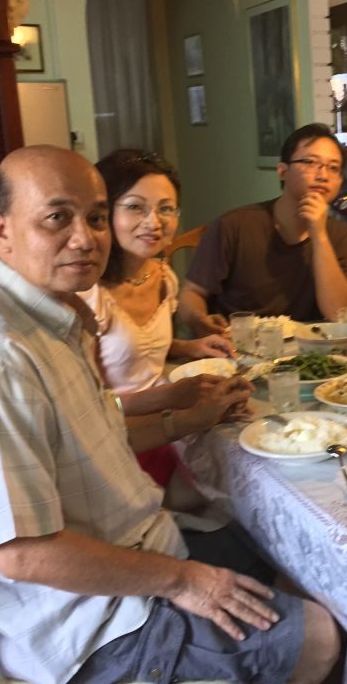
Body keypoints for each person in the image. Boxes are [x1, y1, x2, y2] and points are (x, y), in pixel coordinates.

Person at [0, 146, 339, 684]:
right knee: (321, 633)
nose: (85, 237)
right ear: (0, 230)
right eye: (56, 218)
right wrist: (183, 581)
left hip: (139, 543)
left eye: (95, 217)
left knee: (296, 559)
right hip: (90, 627)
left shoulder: (51, 314)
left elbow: (96, 429)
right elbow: (23, 554)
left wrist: (174, 410)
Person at [79, 149, 237, 510]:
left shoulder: (161, 276)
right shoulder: (88, 295)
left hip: (168, 423)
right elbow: (87, 409)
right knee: (228, 499)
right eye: (135, 207)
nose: (154, 221)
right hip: (119, 442)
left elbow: (137, 348)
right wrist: (172, 398)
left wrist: (190, 348)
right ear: (104, 214)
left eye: (166, 208)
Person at [179, 123, 347, 336]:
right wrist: (200, 319)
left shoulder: (341, 235)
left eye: (333, 167)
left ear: (339, 181)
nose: (323, 175)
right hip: (238, 349)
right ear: (282, 171)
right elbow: (191, 293)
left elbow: (338, 315)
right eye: (310, 162)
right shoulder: (234, 225)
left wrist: (319, 236)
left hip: (307, 351)